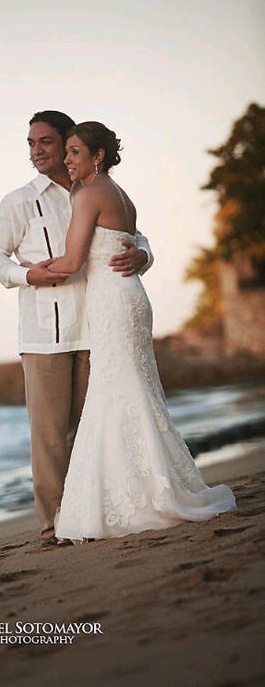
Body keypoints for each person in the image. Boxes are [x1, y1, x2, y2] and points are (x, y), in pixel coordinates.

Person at [46, 121, 236, 543]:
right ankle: (147, 486)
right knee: (131, 389)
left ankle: (139, 495)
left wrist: (28, 273)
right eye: (68, 152)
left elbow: (74, 260)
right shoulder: (118, 194)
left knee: (119, 390)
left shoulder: (92, 193)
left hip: (115, 301)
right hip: (125, 295)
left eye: (75, 152)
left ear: (97, 156)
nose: (68, 159)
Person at [0, 111, 154, 547]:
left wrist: (143, 256)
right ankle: (53, 527)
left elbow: (134, 235)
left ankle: (93, 513)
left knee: (96, 427)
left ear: (68, 144)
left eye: (46, 142)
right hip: (46, 336)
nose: (36, 151)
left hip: (100, 329)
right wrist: (26, 276)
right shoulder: (20, 200)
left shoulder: (94, 189)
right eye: (31, 143)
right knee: (51, 437)